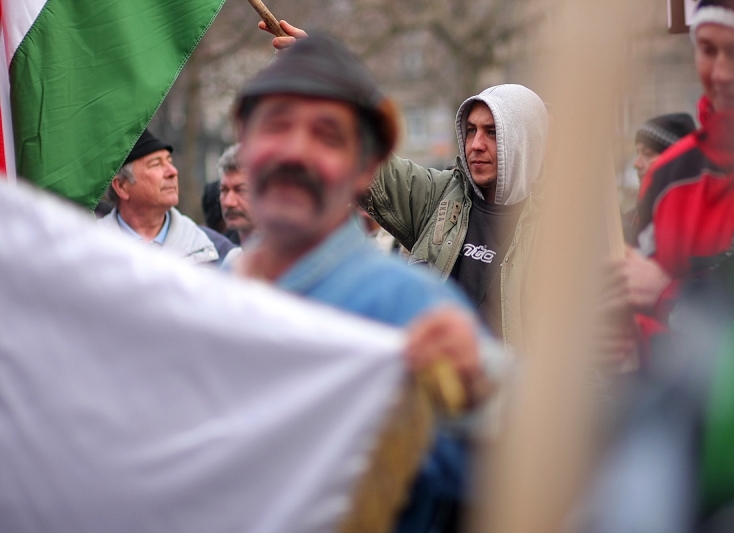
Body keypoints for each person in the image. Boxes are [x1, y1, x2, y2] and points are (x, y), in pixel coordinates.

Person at [232, 33, 504, 533]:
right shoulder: (211, 293)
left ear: (367, 169)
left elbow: (532, 481)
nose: (296, 151)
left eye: (327, 135)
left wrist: (481, 402)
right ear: (243, 141)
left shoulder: (416, 310)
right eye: (277, 124)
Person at [263, 21, 549, 349]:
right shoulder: (439, 197)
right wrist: (322, 76)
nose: (476, 144)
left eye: (492, 132)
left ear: (525, 141)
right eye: (470, 130)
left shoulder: (560, 230)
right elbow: (367, 157)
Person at [605, 0, 734, 362]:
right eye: (707, 50)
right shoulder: (670, 175)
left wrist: (670, 299)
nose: (721, 73)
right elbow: (638, 313)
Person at [99, 129, 236, 266]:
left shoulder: (216, 251)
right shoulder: (87, 248)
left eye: (169, 161)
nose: (172, 172)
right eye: (156, 164)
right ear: (121, 186)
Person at [623, 113, 696, 244]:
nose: (636, 164)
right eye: (637, 153)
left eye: (647, 154)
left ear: (676, 162)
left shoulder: (702, 230)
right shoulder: (627, 223)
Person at [218, 144, 255, 245]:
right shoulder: (225, 256)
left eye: (241, 190)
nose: (229, 202)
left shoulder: (294, 256)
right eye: (224, 190)